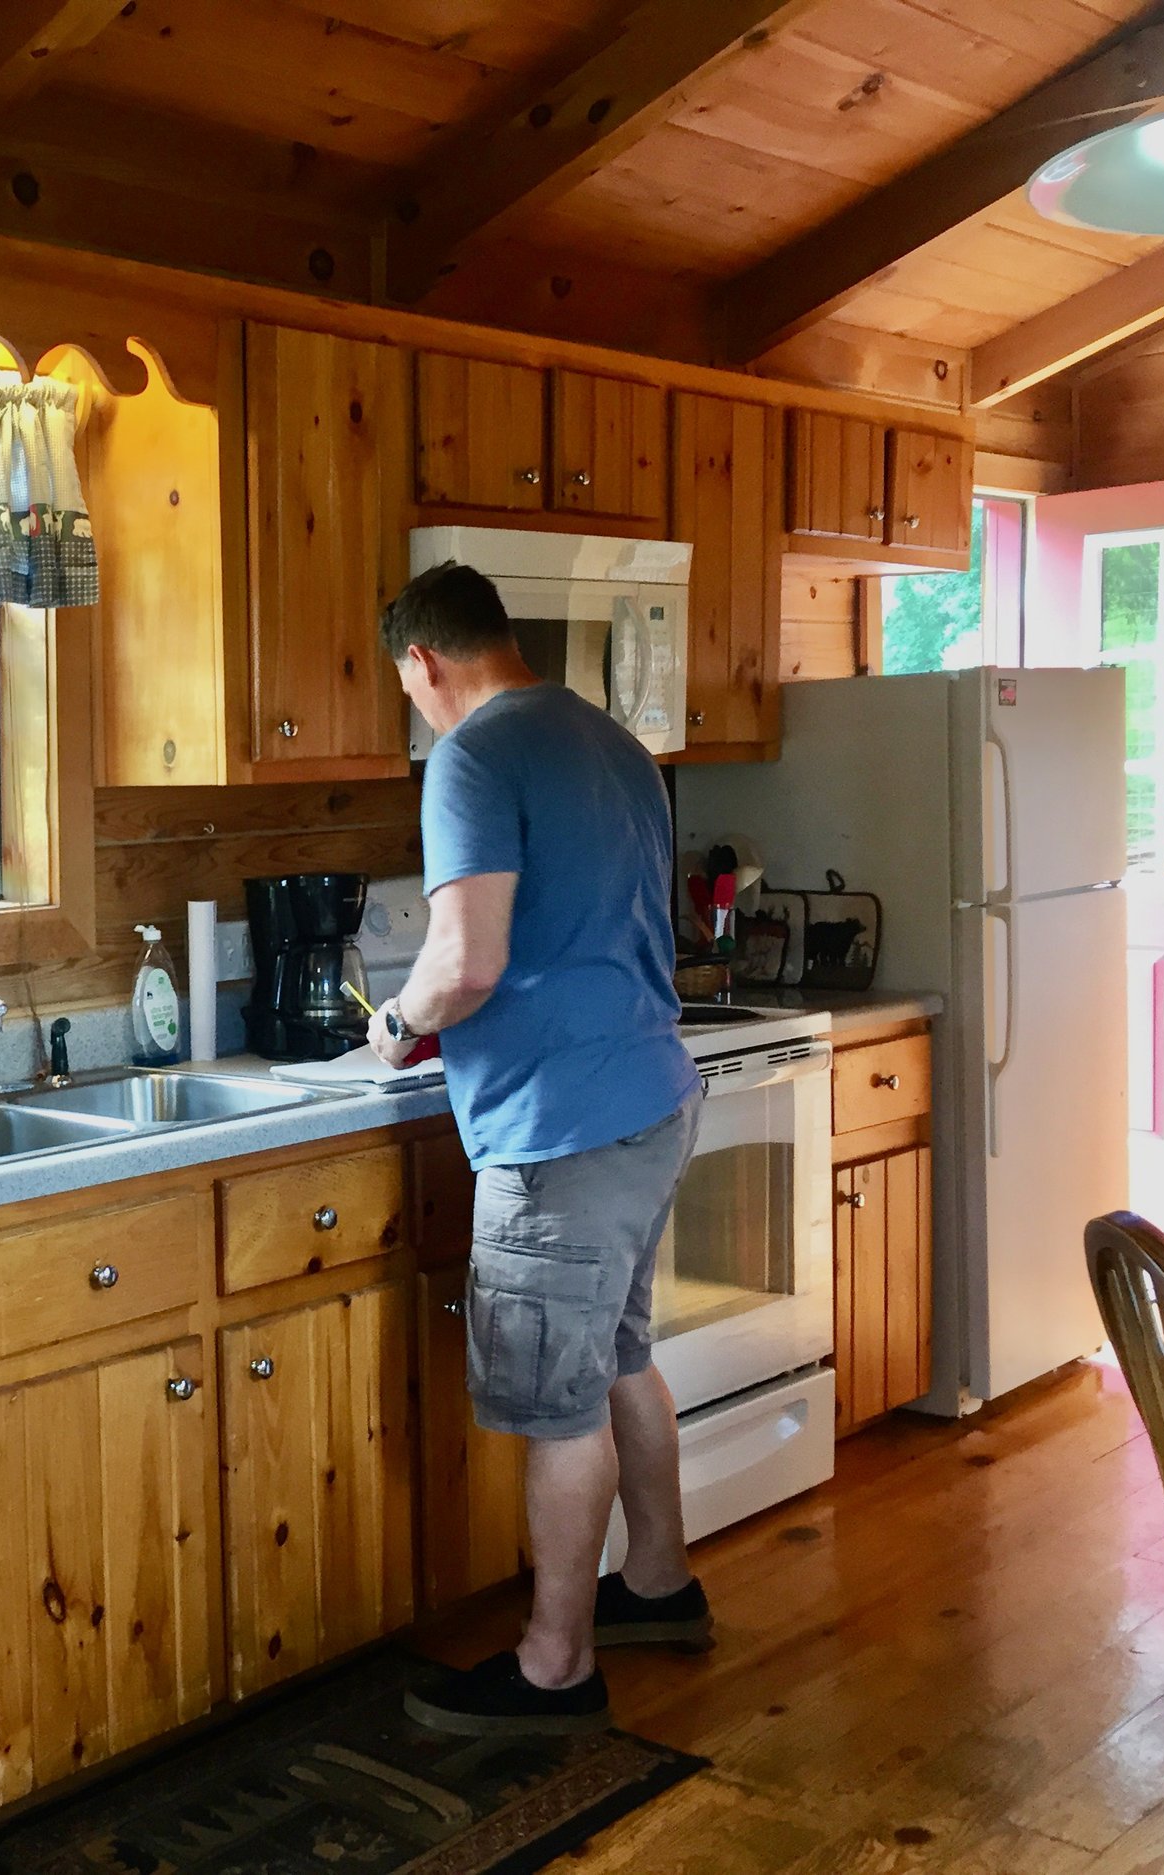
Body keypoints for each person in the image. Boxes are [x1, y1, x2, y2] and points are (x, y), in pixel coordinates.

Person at [368, 560, 709, 1739]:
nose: (414, 703)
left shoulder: (469, 755)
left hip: (561, 1125)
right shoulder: (608, 737)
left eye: (406, 682)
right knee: (618, 1356)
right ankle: (656, 1583)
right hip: (650, 1092)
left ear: (423, 660)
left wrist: (397, 1023)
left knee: (557, 1404)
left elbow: (463, 961)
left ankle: (555, 1664)